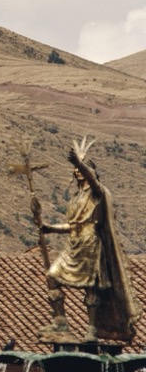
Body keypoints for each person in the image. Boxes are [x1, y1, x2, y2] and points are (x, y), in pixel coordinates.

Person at [31, 139, 139, 343]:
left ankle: (91, 330)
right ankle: (61, 322)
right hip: (74, 243)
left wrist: (81, 163)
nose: (79, 171)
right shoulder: (75, 198)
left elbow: (94, 186)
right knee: (52, 276)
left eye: (84, 168)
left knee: (91, 287)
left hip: (91, 243)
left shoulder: (97, 194)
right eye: (77, 168)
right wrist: (49, 227)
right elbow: (72, 225)